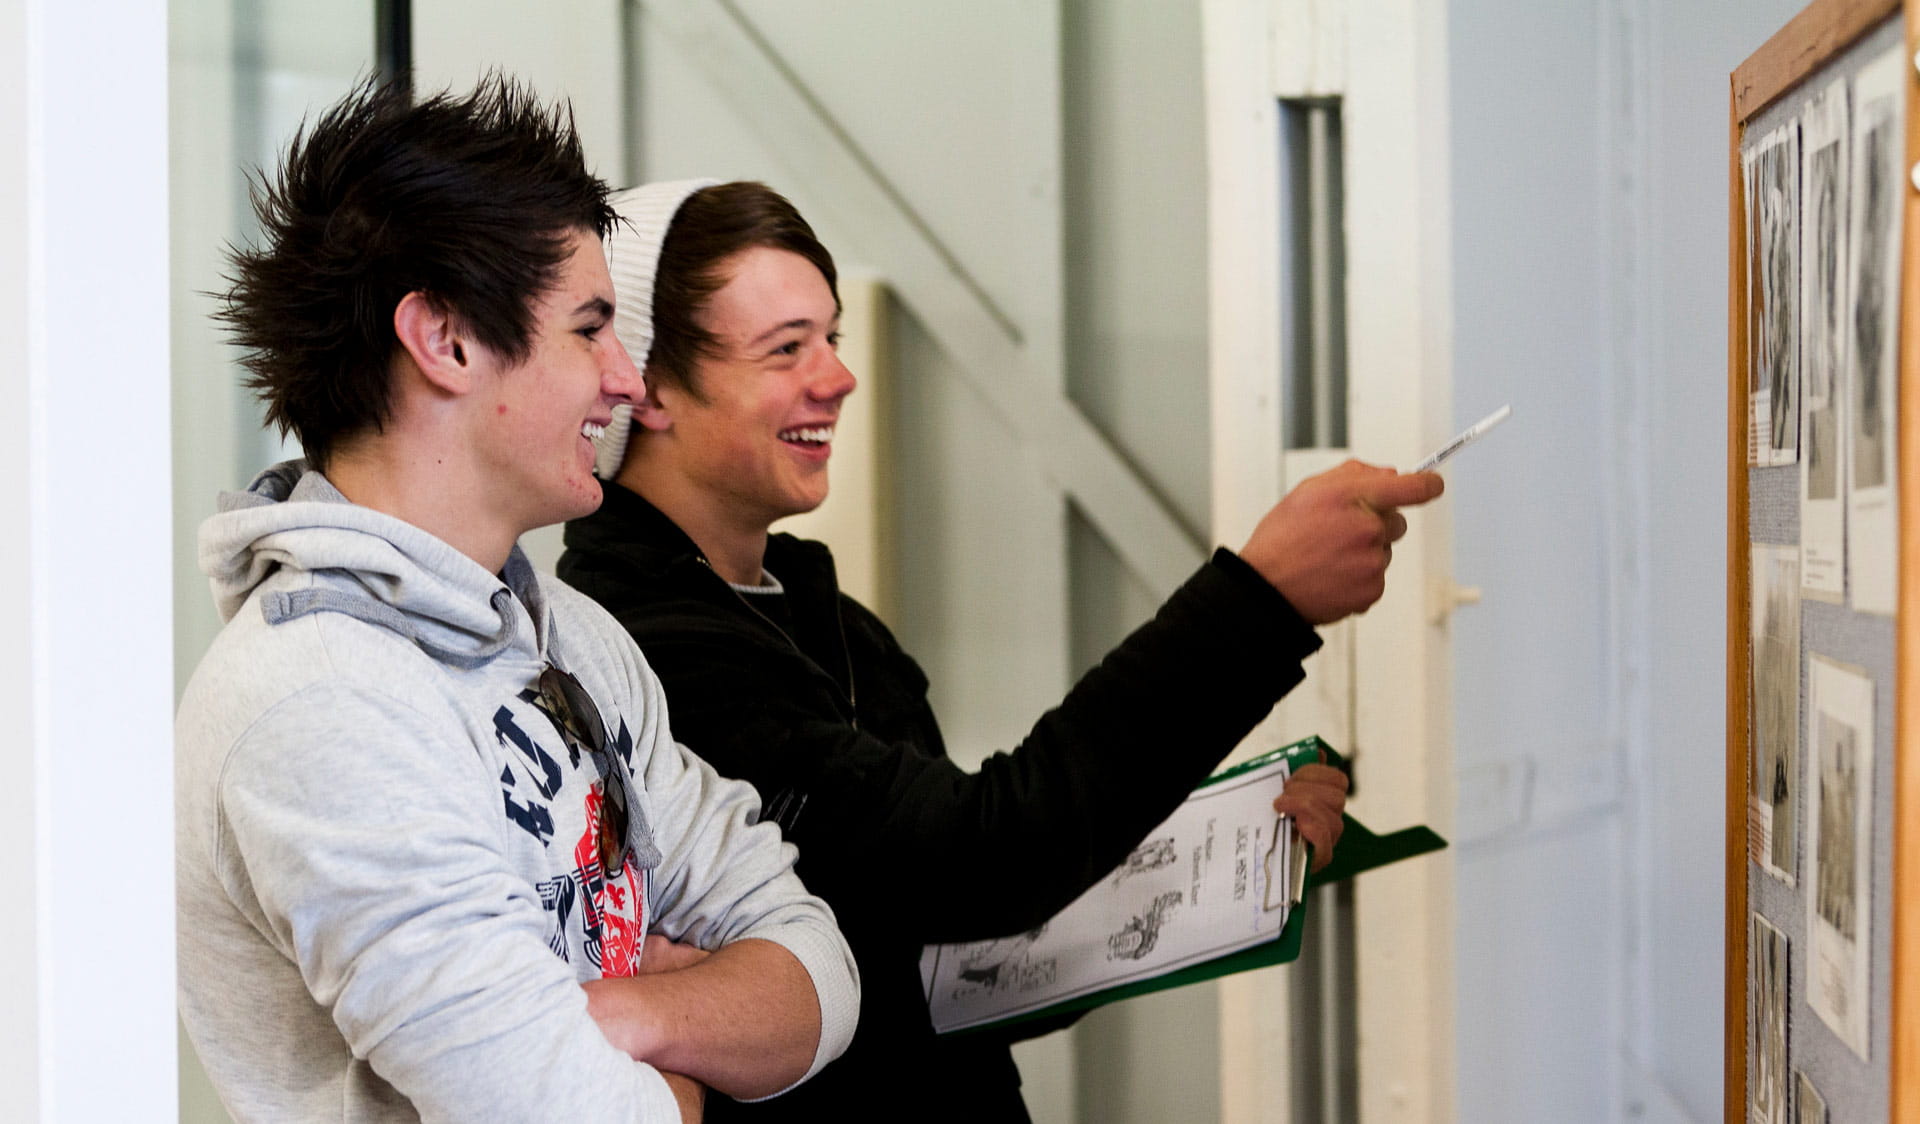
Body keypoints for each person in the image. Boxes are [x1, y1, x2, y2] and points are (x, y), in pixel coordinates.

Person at [557, 179, 1442, 1119]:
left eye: (832, 338)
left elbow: (943, 957)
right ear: (645, 387)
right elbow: (982, 863)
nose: (838, 377)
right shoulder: (644, 654)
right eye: (786, 350)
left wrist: (1218, 858)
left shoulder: (828, 623)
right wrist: (1261, 603)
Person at [174, 84, 858, 1123]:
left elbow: (820, 975)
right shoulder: (319, 700)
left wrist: (610, 1016)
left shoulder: (575, 635)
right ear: (443, 339)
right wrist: (689, 1059)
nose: (626, 381)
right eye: (590, 328)